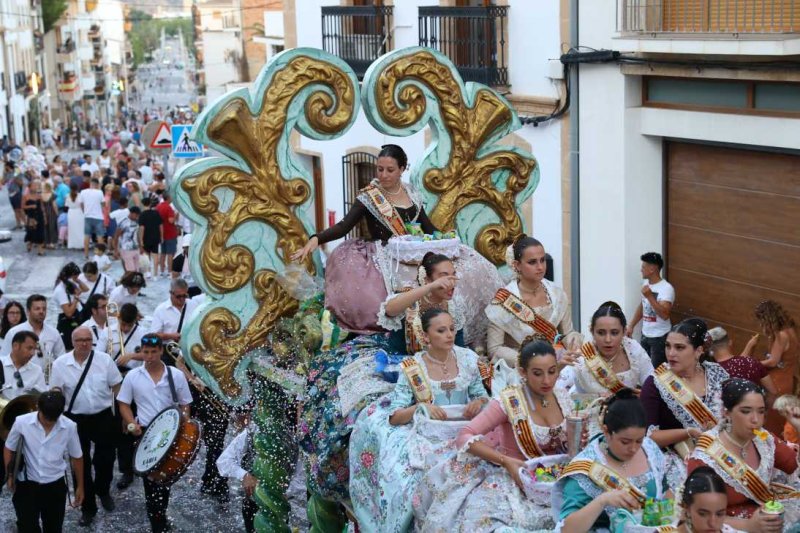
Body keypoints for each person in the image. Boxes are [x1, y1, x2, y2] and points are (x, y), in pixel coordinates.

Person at [299, 252, 467, 505]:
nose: (450, 282)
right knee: (354, 408)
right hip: (394, 364)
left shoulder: (455, 307)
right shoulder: (410, 299)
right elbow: (389, 309)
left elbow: (460, 349)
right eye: (444, 276)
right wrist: (429, 288)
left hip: (433, 369)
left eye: (453, 275)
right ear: (427, 278)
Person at [349, 309, 490, 531]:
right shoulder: (413, 368)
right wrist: (421, 407)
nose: (449, 335)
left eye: (452, 329)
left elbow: (483, 396)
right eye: (441, 330)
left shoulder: (468, 358)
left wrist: (478, 403)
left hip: (465, 431)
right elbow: (395, 416)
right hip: (429, 436)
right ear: (425, 337)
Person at [414, 340, 575, 532]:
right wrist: (505, 461)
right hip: (513, 477)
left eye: (552, 371)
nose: (547, 380)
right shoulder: (509, 402)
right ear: (522, 372)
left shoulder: (562, 396)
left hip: (553, 476)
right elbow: (465, 435)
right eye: (538, 374)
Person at [292, 145, 438, 333]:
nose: (383, 175)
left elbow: (427, 226)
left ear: (402, 169)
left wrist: (448, 239)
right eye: (380, 169)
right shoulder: (369, 196)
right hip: (382, 258)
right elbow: (344, 226)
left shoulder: (412, 193)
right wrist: (316, 239)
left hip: (412, 255)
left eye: (390, 170)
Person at [149, 279, 229, 499]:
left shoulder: (224, 342)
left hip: (216, 392)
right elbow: (180, 362)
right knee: (182, 432)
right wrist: (192, 379)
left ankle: (216, 480)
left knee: (217, 439)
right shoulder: (195, 337)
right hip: (194, 390)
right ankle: (165, 474)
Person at [687, 378, 800, 531]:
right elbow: (700, 517)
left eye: (761, 412)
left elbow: (793, 465)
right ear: (726, 412)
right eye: (746, 411)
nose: (756, 420)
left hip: (767, 519)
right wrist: (749, 526)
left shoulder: (763, 439)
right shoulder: (705, 457)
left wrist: (798, 425)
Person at [555, 389, 668, 532]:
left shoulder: (649, 450)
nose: (633, 448)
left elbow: (666, 495)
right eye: (625, 442)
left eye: (639, 440)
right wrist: (602, 501)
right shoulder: (587, 468)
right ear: (606, 431)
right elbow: (567, 529)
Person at [639, 318, 729, 489]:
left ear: (698, 351)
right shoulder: (655, 383)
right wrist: (689, 432)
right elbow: (647, 437)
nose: (671, 353)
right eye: (668, 346)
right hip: (676, 458)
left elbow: (733, 416)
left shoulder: (718, 374)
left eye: (679, 347)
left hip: (721, 453)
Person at [117, 334, 193, 533]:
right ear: (141, 352)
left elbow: (185, 403)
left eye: (153, 352)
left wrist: (183, 424)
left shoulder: (175, 375)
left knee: (165, 480)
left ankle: (160, 514)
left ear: (160, 351)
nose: (149, 356)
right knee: (150, 483)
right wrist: (131, 421)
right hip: (146, 437)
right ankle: (157, 522)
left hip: (171, 435)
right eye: (145, 352)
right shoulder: (133, 376)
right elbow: (123, 402)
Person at [50, 327, 123, 526]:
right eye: (80, 340)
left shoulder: (104, 360)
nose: (84, 343)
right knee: (79, 465)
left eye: (88, 340)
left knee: (106, 459)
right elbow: (56, 390)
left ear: (93, 341)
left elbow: (117, 387)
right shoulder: (60, 364)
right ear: (72, 342)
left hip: (103, 416)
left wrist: (125, 415)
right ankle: (88, 508)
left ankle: (103, 490)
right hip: (75, 420)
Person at [486, 236, 582, 369]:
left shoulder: (557, 294)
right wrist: (529, 360)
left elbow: (566, 334)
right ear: (517, 265)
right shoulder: (503, 301)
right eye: (532, 262)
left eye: (542, 260)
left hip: (556, 365)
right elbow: (494, 349)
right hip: (520, 369)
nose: (540, 267)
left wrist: (573, 341)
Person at [3, 391, 84, 533]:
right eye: (46, 417)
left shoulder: (70, 426)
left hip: (55, 487)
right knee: (27, 527)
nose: (49, 422)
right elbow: (9, 448)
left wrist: (80, 486)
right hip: (26, 485)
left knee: (53, 528)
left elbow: (77, 457)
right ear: (38, 408)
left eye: (54, 418)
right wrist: (9, 475)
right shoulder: (22, 422)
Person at [98, 303, 144, 490]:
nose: (125, 328)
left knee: (131, 424)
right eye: (123, 324)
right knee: (118, 426)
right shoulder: (108, 332)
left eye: (129, 325)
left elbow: (152, 355)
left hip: (133, 381)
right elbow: (99, 356)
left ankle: (132, 467)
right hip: (113, 382)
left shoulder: (142, 332)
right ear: (118, 319)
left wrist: (132, 356)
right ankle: (123, 466)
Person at [571, 301, 653, 396]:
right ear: (592, 332)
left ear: (624, 332)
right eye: (601, 333)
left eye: (614, 333)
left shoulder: (633, 349)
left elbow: (651, 385)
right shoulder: (583, 359)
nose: (608, 339)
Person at [742, 300, 799, 435]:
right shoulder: (790, 329)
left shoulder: (781, 335)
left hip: (776, 382)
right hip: (787, 379)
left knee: (769, 423)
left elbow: (773, 361)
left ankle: (768, 448)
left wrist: (754, 363)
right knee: (779, 420)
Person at [0, 331, 47, 491]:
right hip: (2, 425)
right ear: (15, 346)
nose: (32, 353)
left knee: (24, 474)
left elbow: (39, 398)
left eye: (34, 349)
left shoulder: (36, 370)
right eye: (29, 348)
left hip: (25, 428)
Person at [627, 252, 676, 368]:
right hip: (645, 335)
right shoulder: (646, 283)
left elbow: (664, 314)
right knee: (643, 367)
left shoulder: (666, 288)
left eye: (644, 267)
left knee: (656, 372)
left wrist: (649, 296)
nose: (641, 270)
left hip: (660, 337)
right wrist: (631, 325)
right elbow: (643, 306)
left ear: (652, 269)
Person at [708, 326, 778, 405]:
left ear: (710, 350)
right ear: (730, 342)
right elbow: (773, 392)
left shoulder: (710, 373)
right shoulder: (752, 362)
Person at [1, 294, 66, 379]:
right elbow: (3, 359)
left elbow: (61, 358)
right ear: (28, 311)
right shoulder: (14, 332)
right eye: (37, 309)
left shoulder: (53, 333)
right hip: (20, 379)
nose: (41, 312)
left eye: (44, 309)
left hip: (46, 381)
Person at [216, 422, 260, 533]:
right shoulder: (252, 431)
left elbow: (299, 474)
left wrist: (287, 491)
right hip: (252, 502)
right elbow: (224, 461)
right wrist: (244, 475)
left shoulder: (292, 435)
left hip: (279, 505)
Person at [53, 262, 88, 350]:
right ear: (70, 276)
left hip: (75, 318)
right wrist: (76, 299)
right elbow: (68, 312)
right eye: (75, 277)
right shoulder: (60, 290)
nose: (77, 279)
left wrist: (77, 281)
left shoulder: (69, 285)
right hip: (66, 323)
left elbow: (85, 289)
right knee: (69, 347)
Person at [79, 178, 106, 259]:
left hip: (87, 216)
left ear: (90, 184)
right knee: (99, 237)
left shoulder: (83, 192)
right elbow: (103, 204)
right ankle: (100, 255)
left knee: (87, 236)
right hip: (98, 217)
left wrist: (85, 211)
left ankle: (86, 255)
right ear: (97, 184)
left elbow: (81, 204)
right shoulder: (99, 192)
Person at [155, 192, 179, 278]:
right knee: (170, 253)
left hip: (161, 233)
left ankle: (161, 271)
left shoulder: (158, 206)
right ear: (168, 198)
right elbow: (171, 221)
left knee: (163, 253)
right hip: (170, 233)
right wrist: (176, 215)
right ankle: (169, 271)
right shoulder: (169, 208)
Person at [138, 196, 162, 278]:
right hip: (156, 236)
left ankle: (148, 272)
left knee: (147, 255)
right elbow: (160, 225)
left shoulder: (142, 215)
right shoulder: (156, 213)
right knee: (155, 255)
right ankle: (155, 273)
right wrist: (161, 236)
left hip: (146, 237)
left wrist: (141, 239)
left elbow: (142, 228)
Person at [114, 206, 142, 273]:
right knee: (130, 270)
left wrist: (140, 246)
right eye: (136, 215)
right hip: (126, 249)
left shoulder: (137, 222)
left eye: (138, 215)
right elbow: (116, 236)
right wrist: (116, 250)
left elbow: (137, 234)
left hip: (136, 248)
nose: (137, 217)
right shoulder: (123, 222)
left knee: (137, 269)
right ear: (131, 213)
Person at [23, 179, 46, 256]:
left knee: (40, 232)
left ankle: (40, 250)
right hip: (31, 216)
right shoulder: (26, 196)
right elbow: (23, 207)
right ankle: (30, 243)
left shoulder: (39, 196)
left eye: (36, 186)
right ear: (29, 187)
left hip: (39, 215)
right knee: (31, 232)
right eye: (33, 186)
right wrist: (31, 206)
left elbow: (42, 206)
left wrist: (45, 216)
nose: (35, 187)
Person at [66, 183, 84, 249]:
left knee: (72, 229)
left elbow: (66, 205)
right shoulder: (80, 195)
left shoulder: (67, 195)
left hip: (71, 212)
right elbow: (82, 205)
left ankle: (72, 244)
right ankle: (81, 243)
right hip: (79, 212)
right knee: (80, 228)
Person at [41, 182, 59, 249]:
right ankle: (51, 243)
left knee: (45, 227)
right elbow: (54, 205)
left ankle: (45, 242)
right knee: (52, 227)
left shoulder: (41, 195)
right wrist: (57, 213)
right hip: (51, 212)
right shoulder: (52, 195)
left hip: (43, 212)